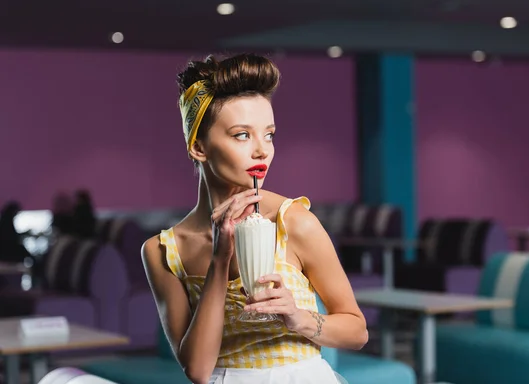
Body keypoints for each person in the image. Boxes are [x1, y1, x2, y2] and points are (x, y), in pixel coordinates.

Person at [141, 54, 367, 384]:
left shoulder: (293, 221)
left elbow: (357, 331)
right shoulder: (163, 252)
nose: (262, 150)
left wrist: (298, 318)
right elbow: (199, 371)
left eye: (269, 134)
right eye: (242, 135)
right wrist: (220, 261)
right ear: (199, 147)